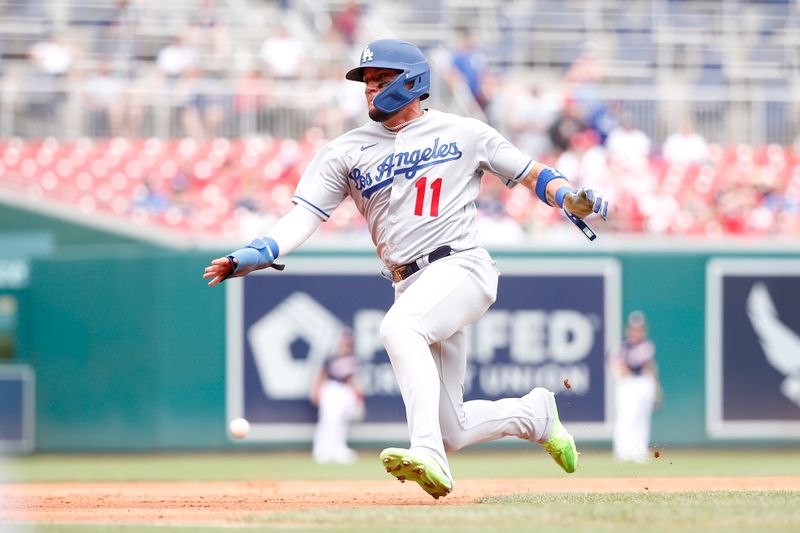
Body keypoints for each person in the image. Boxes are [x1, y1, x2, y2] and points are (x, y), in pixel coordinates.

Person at [203, 39, 608, 499]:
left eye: (380, 79)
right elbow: (305, 215)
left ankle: (427, 453)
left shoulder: (464, 131)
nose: (370, 90)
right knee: (452, 427)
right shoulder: (345, 151)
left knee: (400, 329)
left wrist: (570, 197)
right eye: (366, 83)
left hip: (461, 266)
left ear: (412, 81)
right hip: (410, 282)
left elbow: (532, 172)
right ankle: (535, 414)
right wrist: (260, 251)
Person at [610, 311, 661, 463]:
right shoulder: (621, 346)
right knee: (626, 417)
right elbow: (615, 364)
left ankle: (640, 450)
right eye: (634, 328)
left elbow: (650, 367)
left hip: (644, 382)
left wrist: (656, 387)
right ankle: (622, 451)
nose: (637, 331)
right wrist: (622, 373)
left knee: (642, 418)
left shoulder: (647, 345)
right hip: (628, 383)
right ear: (629, 329)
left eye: (640, 328)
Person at [310, 328, 364, 464]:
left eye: (349, 340)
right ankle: (322, 451)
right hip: (331, 388)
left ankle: (339, 450)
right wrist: (315, 390)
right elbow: (321, 375)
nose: (346, 343)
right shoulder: (332, 357)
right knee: (328, 419)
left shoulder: (353, 359)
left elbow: (353, 379)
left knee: (342, 421)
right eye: (344, 340)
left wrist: (358, 396)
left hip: (345, 391)